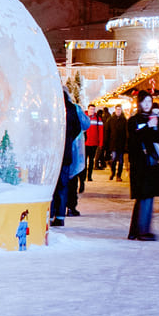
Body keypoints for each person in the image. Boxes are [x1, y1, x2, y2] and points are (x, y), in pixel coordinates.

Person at [125, 91, 159, 240]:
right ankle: (143, 231)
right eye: (145, 101)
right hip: (140, 163)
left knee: (146, 196)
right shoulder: (134, 120)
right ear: (139, 103)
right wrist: (147, 126)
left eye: (150, 101)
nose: (148, 104)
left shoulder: (157, 119)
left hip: (151, 162)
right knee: (144, 196)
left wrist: (155, 126)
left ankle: (136, 230)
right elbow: (133, 139)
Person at [50, 89, 83, 227]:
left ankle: (50, 214)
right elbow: (78, 128)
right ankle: (60, 216)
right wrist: (68, 139)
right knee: (63, 185)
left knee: (52, 184)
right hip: (66, 152)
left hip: (52, 152)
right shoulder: (71, 108)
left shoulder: (51, 106)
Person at [83, 106, 103, 181]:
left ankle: (89, 176)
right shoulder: (84, 117)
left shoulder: (98, 119)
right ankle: (83, 176)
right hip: (85, 143)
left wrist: (100, 143)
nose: (92, 111)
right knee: (84, 161)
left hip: (94, 143)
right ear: (88, 109)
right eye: (91, 109)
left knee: (91, 160)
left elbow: (101, 131)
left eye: (93, 109)